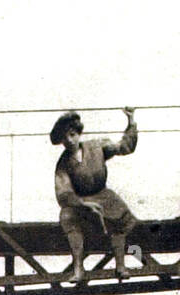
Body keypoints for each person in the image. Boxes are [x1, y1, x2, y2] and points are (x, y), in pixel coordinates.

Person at [51, 108, 138, 285]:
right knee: (67, 217)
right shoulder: (63, 164)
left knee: (118, 216)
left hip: (104, 196)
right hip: (80, 201)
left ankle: (120, 265)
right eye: (64, 138)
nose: (69, 140)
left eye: (72, 135)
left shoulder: (97, 147)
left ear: (78, 132)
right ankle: (78, 268)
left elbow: (124, 147)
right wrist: (84, 204)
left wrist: (131, 122)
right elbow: (64, 193)